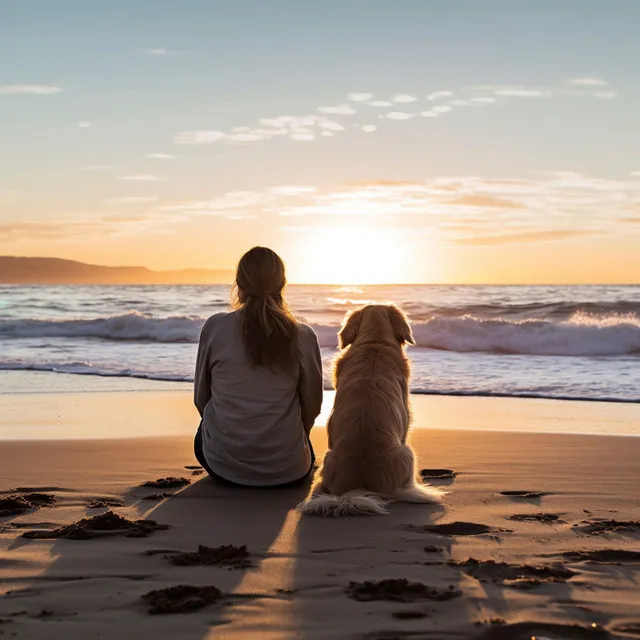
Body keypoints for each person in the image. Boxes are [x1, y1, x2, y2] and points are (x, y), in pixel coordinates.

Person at [193, 246, 323, 487]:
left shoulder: (215, 327)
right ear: (282, 285)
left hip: (223, 467)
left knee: (205, 427)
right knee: (300, 439)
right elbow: (312, 406)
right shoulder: (303, 335)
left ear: (239, 285)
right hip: (289, 470)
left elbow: (201, 399)